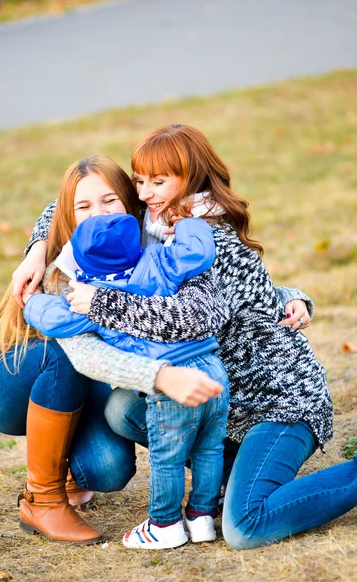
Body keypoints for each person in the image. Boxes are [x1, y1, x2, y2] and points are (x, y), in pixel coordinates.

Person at [22, 124, 357, 549]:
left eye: (158, 182)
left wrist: (99, 302)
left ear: (192, 179)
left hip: (278, 400)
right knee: (124, 408)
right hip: (217, 396)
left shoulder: (210, 238)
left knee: (244, 527)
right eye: (139, 182)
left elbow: (196, 317)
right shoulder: (153, 220)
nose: (143, 193)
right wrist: (37, 248)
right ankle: (223, 477)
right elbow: (71, 203)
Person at [0, 155, 224, 546]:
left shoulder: (149, 242)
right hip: (5, 379)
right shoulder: (63, 268)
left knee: (109, 470)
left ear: (134, 204)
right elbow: (85, 355)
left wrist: (289, 298)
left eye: (110, 202)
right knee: (64, 355)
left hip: (84, 383)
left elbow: (213, 279)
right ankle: (43, 499)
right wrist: (161, 376)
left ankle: (64, 460)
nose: (97, 215)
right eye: (82, 208)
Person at [23, 212, 230, 549]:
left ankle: (165, 524)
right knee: (209, 448)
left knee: (168, 457)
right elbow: (198, 251)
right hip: (211, 365)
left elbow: (52, 318)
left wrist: (32, 303)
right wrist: (189, 223)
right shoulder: (161, 261)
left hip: (171, 379)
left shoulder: (90, 299)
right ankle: (201, 517)